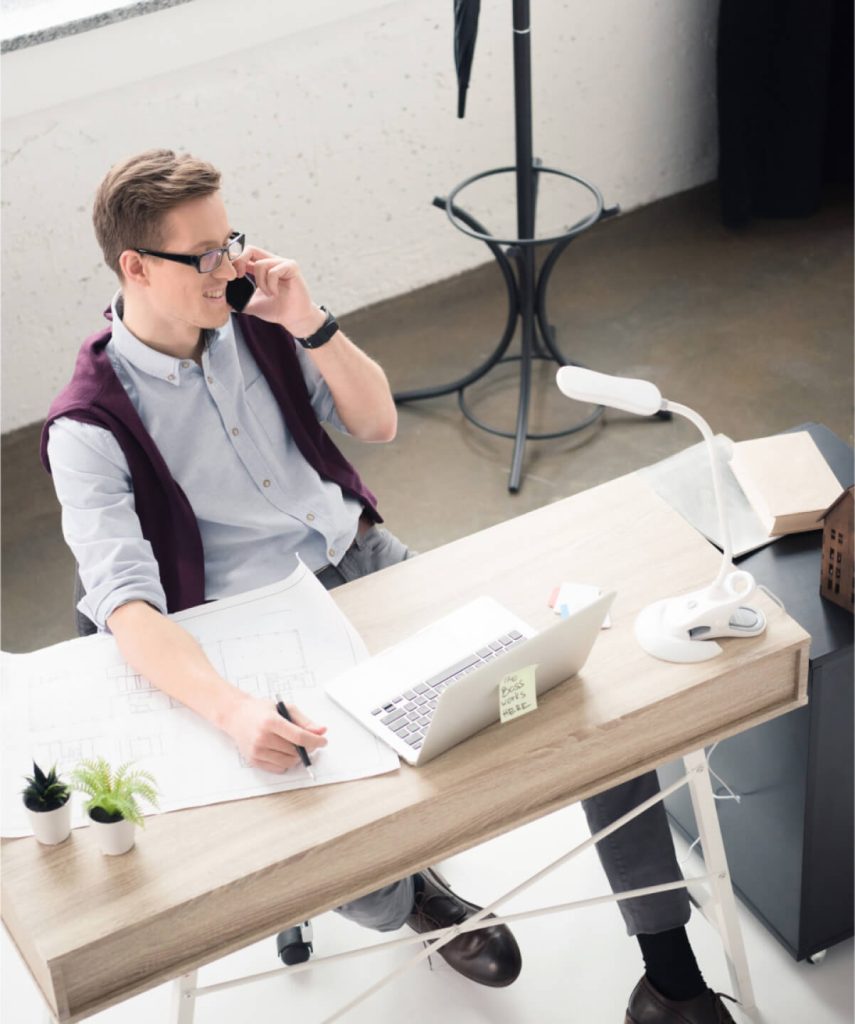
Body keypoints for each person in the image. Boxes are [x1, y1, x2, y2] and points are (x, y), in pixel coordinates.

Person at [42, 150, 736, 1022]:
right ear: (135, 267)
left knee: (570, 697)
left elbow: (375, 422)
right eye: (205, 255)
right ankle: (410, 901)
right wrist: (231, 709)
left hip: (363, 567)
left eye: (233, 243)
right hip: (243, 626)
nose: (231, 268)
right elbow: (126, 609)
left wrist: (311, 323)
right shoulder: (87, 426)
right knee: (330, 830)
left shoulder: (257, 323)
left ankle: (667, 972)